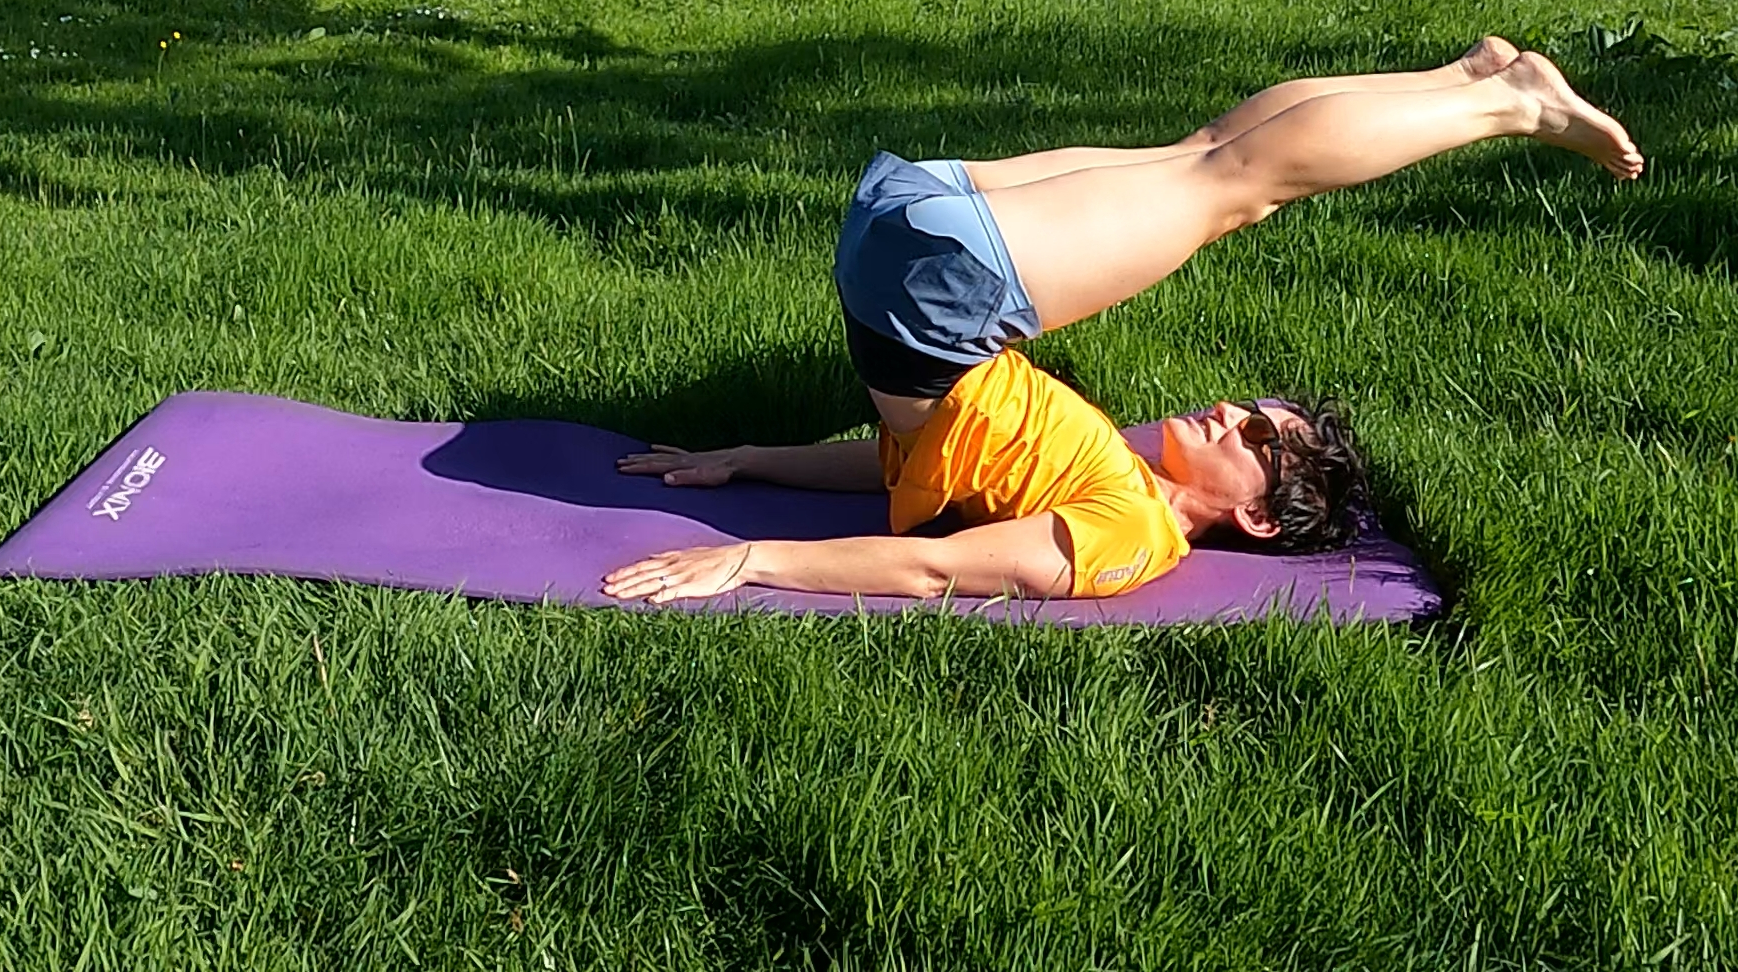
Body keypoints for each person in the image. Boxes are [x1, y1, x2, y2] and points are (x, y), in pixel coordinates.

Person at [599, 37, 1642, 605]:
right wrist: (749, 463)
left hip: (931, 270)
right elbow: (913, 464)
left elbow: (930, 563)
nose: (1232, 411)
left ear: (1260, 520)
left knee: (1231, 173)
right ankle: (1472, 89)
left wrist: (753, 547)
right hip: (918, 267)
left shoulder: (1127, 536)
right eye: (1252, 409)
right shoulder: (1104, 477)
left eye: (1257, 438)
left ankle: (1499, 98)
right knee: (1221, 159)